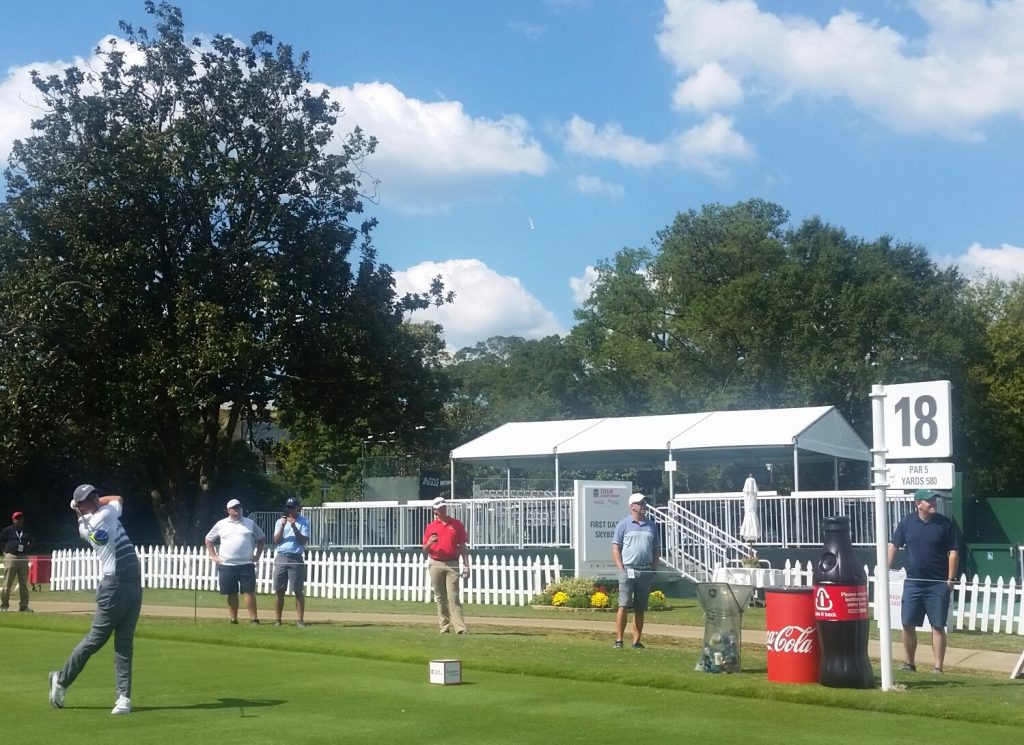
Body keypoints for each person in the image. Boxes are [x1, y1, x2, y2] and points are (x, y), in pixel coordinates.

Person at [49, 485, 142, 715]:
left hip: (132, 584)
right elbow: (118, 497)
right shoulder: (104, 516)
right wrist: (91, 505)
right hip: (115, 586)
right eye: (88, 499)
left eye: (94, 495)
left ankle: (123, 698)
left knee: (124, 643)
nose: (95, 499)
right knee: (95, 640)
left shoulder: (89, 520)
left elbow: (105, 502)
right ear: (80, 505)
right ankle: (61, 680)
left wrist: (79, 506)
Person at [887, 491, 960, 674]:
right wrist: (884, 570)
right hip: (913, 583)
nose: (933, 503)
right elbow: (893, 545)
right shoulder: (906, 522)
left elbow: (953, 552)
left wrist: (950, 579)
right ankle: (909, 664)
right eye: (929, 500)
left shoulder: (945, 524)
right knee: (907, 623)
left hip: (937, 584)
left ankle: (938, 668)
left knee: (937, 626)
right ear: (918, 504)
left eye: (934, 500)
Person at [205, 498, 266, 624]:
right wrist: (214, 556)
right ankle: (233, 619)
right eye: (234, 508)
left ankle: (254, 619)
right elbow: (208, 539)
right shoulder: (221, 524)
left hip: (246, 564)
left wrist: (258, 555)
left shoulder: (249, 523)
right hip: (227, 564)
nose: (237, 510)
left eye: (239, 507)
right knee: (231, 593)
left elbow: (261, 538)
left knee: (249, 592)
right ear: (228, 510)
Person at [612, 492, 660, 649]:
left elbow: (655, 550)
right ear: (632, 506)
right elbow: (616, 548)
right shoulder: (623, 524)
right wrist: (621, 568)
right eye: (640, 503)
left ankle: (636, 641)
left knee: (640, 608)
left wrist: (654, 569)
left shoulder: (651, 526)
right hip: (628, 569)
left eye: (644, 503)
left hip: (645, 571)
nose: (644, 506)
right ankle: (619, 640)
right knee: (624, 605)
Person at [422, 493, 471, 634]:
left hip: (452, 563)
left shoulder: (456, 525)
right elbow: (424, 549)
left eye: (444, 507)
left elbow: (462, 546)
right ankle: (444, 626)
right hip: (435, 562)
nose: (442, 510)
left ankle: (460, 627)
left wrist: (467, 565)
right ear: (435, 510)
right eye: (439, 508)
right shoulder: (431, 527)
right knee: (440, 597)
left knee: (453, 596)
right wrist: (429, 543)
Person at [273, 496, 310, 627]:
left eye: (292, 507)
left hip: (295, 557)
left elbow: (303, 541)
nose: (289, 510)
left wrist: (294, 527)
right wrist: (283, 527)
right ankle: (278, 620)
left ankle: (300, 620)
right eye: (288, 507)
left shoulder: (304, 521)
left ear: (297, 508)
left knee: (298, 590)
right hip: (281, 556)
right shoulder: (280, 522)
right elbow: (276, 541)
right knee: (279, 590)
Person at [1, 511, 34, 612]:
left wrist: (27, 549)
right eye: (17, 518)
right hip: (11, 556)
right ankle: (4, 605)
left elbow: (32, 540)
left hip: (23, 557)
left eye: (20, 518)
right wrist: (4, 552)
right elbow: (1, 541)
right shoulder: (7, 530)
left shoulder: (26, 530)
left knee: (23, 583)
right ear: (13, 520)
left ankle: (24, 606)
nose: (19, 520)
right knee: (7, 583)